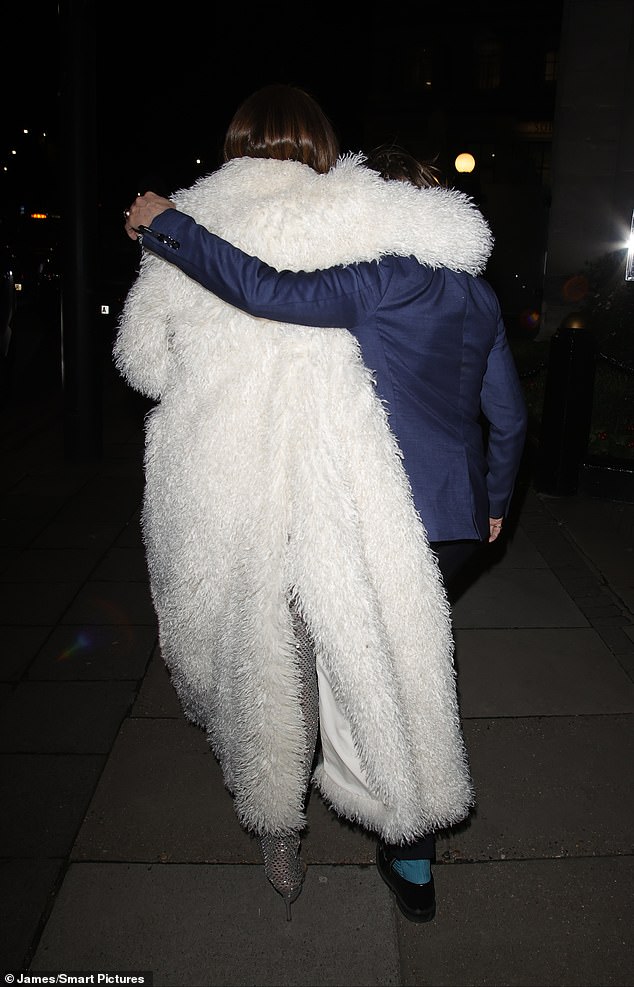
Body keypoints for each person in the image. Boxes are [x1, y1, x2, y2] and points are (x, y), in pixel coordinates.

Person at [117, 85, 525, 924]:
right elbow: (510, 416)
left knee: (313, 663)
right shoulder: (455, 284)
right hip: (446, 519)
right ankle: (410, 857)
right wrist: (494, 501)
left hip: (338, 505)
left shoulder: (363, 275)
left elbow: (223, 314)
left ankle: (290, 821)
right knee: (403, 665)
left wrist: (168, 225)